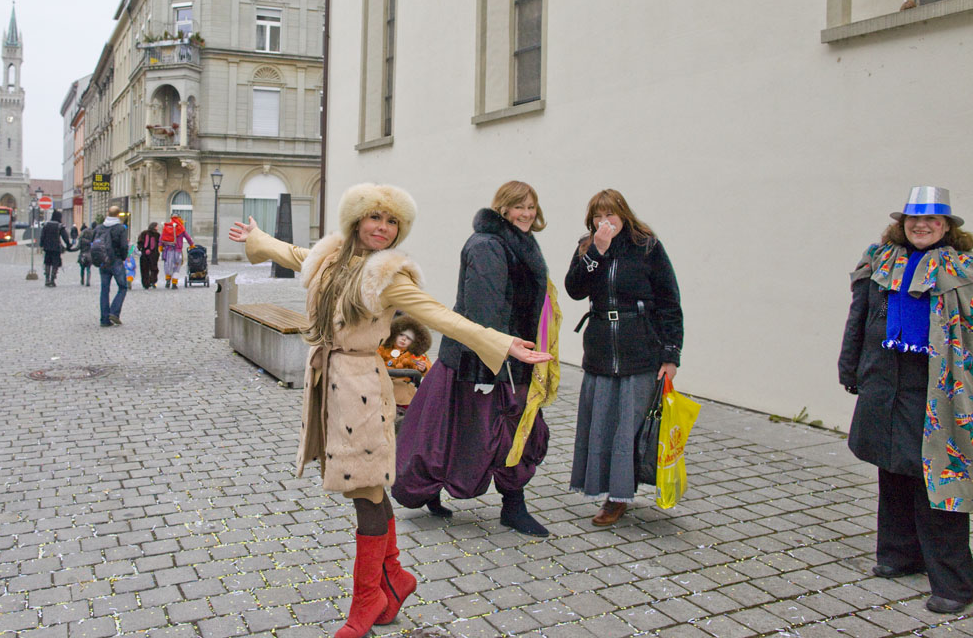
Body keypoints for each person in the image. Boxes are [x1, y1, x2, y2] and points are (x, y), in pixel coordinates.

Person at [229, 183, 552, 638]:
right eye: (375, 217)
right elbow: (296, 254)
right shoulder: (334, 256)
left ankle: (367, 599)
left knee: (367, 489)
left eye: (392, 221)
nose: (382, 228)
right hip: (330, 386)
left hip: (361, 388)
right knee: (368, 489)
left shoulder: (389, 276)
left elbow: (441, 315)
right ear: (355, 220)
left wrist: (500, 342)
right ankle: (394, 577)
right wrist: (258, 241)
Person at [393, 181, 559, 536]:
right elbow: (484, 310)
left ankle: (512, 506)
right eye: (519, 207)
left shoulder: (517, 241)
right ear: (503, 208)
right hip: (481, 360)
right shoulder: (487, 245)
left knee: (507, 433)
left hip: (512, 356)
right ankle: (430, 492)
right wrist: (493, 362)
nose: (527, 213)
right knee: (456, 432)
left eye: (531, 206)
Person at [839, 185, 973, 614]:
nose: (921, 226)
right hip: (884, 381)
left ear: (947, 226)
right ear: (901, 224)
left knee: (937, 478)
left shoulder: (963, 270)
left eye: (931, 220)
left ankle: (953, 583)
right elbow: (858, 315)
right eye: (913, 220)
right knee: (892, 467)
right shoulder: (881, 261)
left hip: (937, 387)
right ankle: (898, 555)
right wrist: (849, 367)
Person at [565, 189, 682, 527]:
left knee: (629, 427)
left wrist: (671, 353)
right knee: (602, 424)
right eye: (599, 217)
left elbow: (670, 300)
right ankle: (606, 489)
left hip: (640, 349)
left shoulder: (647, 246)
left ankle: (618, 497)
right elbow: (575, 289)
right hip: (601, 349)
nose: (606, 222)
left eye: (611, 214)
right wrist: (596, 254)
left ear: (624, 215)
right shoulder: (588, 248)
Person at [97, 206, 129, 326]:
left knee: (104, 290)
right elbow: (124, 246)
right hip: (116, 260)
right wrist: (123, 257)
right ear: (118, 215)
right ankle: (114, 312)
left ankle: (104, 319)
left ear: (107, 213)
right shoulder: (120, 228)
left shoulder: (99, 228)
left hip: (103, 261)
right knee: (123, 287)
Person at [39, 211, 75, 287]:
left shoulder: (46, 225)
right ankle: (52, 279)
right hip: (56, 248)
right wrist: (68, 245)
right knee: (55, 263)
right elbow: (65, 237)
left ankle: (47, 279)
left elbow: (42, 236)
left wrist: (41, 245)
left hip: (47, 247)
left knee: (47, 263)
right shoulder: (59, 226)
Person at [160, 215, 193, 288]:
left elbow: (161, 237)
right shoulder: (181, 228)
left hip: (168, 250)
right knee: (177, 267)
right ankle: (174, 283)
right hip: (177, 251)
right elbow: (187, 237)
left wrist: (160, 246)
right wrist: (191, 244)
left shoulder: (167, 227)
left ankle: (168, 280)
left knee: (168, 266)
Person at [137, 222, 162, 289]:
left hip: (147, 253)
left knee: (145, 269)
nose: (158, 227)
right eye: (157, 226)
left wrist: (140, 248)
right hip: (152, 254)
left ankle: (147, 283)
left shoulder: (144, 233)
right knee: (152, 268)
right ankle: (151, 281)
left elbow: (139, 242)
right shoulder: (156, 235)